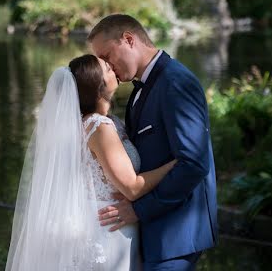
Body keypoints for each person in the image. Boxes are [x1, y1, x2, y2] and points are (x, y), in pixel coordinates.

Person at [6, 54, 176, 270]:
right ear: (98, 86)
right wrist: (174, 164)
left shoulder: (101, 123)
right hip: (109, 229)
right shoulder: (99, 127)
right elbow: (132, 187)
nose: (113, 65)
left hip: (107, 222)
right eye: (107, 67)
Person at [89, 14, 217, 271]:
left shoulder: (175, 82)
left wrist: (139, 210)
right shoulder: (141, 87)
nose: (106, 66)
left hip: (175, 234)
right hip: (153, 235)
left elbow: (193, 163)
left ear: (128, 39)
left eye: (106, 56)